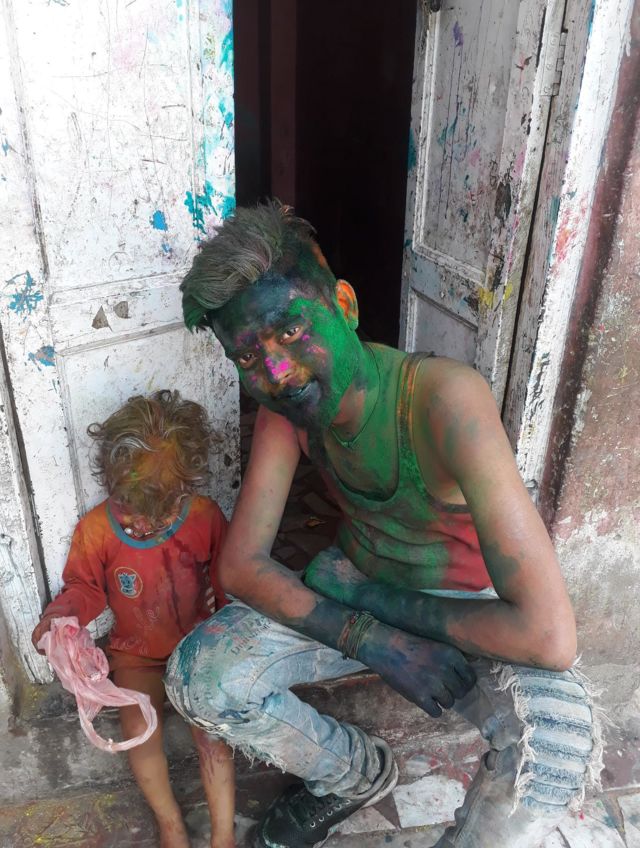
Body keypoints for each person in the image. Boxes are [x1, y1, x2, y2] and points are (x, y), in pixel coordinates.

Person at [165, 201, 602, 848]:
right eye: (248, 356)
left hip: (463, 613)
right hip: (357, 598)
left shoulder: (445, 399)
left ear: (343, 305)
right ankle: (353, 775)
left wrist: (369, 601)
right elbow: (240, 566)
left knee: (558, 747)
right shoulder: (287, 414)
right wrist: (369, 636)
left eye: (291, 330)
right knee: (199, 675)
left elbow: (548, 636)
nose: (277, 373)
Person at [32, 390, 236, 848]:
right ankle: (171, 824)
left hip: (199, 647)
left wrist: (231, 634)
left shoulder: (204, 517)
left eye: (161, 511)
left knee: (213, 735)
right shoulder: (96, 530)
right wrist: (60, 617)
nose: (144, 525)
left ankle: (224, 836)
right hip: (136, 654)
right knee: (139, 733)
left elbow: (228, 579)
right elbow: (85, 588)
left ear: (187, 485)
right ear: (111, 481)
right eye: (132, 506)